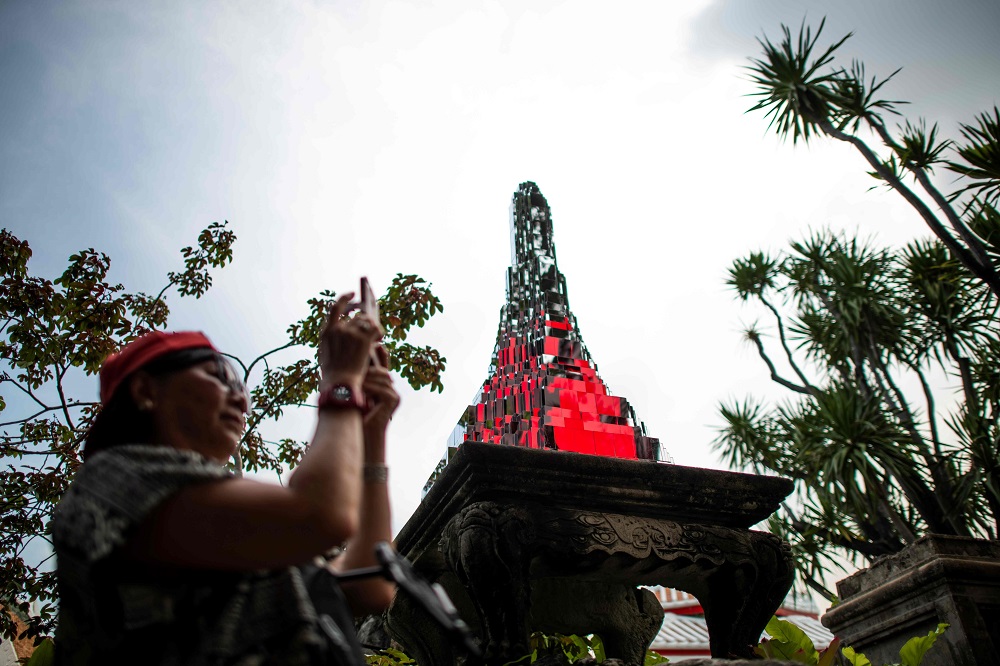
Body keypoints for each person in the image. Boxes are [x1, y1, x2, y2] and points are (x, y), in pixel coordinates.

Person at [52, 292, 398, 665]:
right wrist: (341, 381)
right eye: (221, 376)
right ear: (145, 390)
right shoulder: (110, 483)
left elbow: (370, 583)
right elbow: (321, 515)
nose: (241, 399)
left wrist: (372, 433)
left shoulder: (235, 532)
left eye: (240, 386)